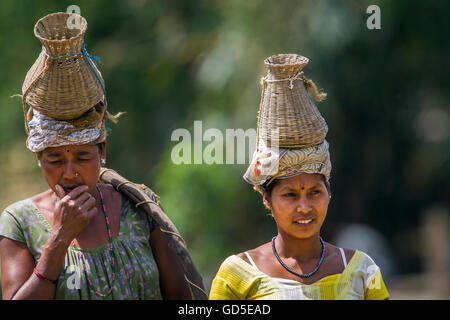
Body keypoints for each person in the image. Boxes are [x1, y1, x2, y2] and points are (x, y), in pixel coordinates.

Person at [0, 12, 191, 300]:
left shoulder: (139, 206)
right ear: (38, 159)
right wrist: (60, 237)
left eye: (83, 157)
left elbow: (181, 298)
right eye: (54, 160)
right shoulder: (19, 222)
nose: (69, 172)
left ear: (103, 152)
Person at [209, 54, 390, 300]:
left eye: (315, 192)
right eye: (290, 195)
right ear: (266, 199)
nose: (304, 207)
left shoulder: (361, 269)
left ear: (328, 191)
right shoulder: (238, 274)